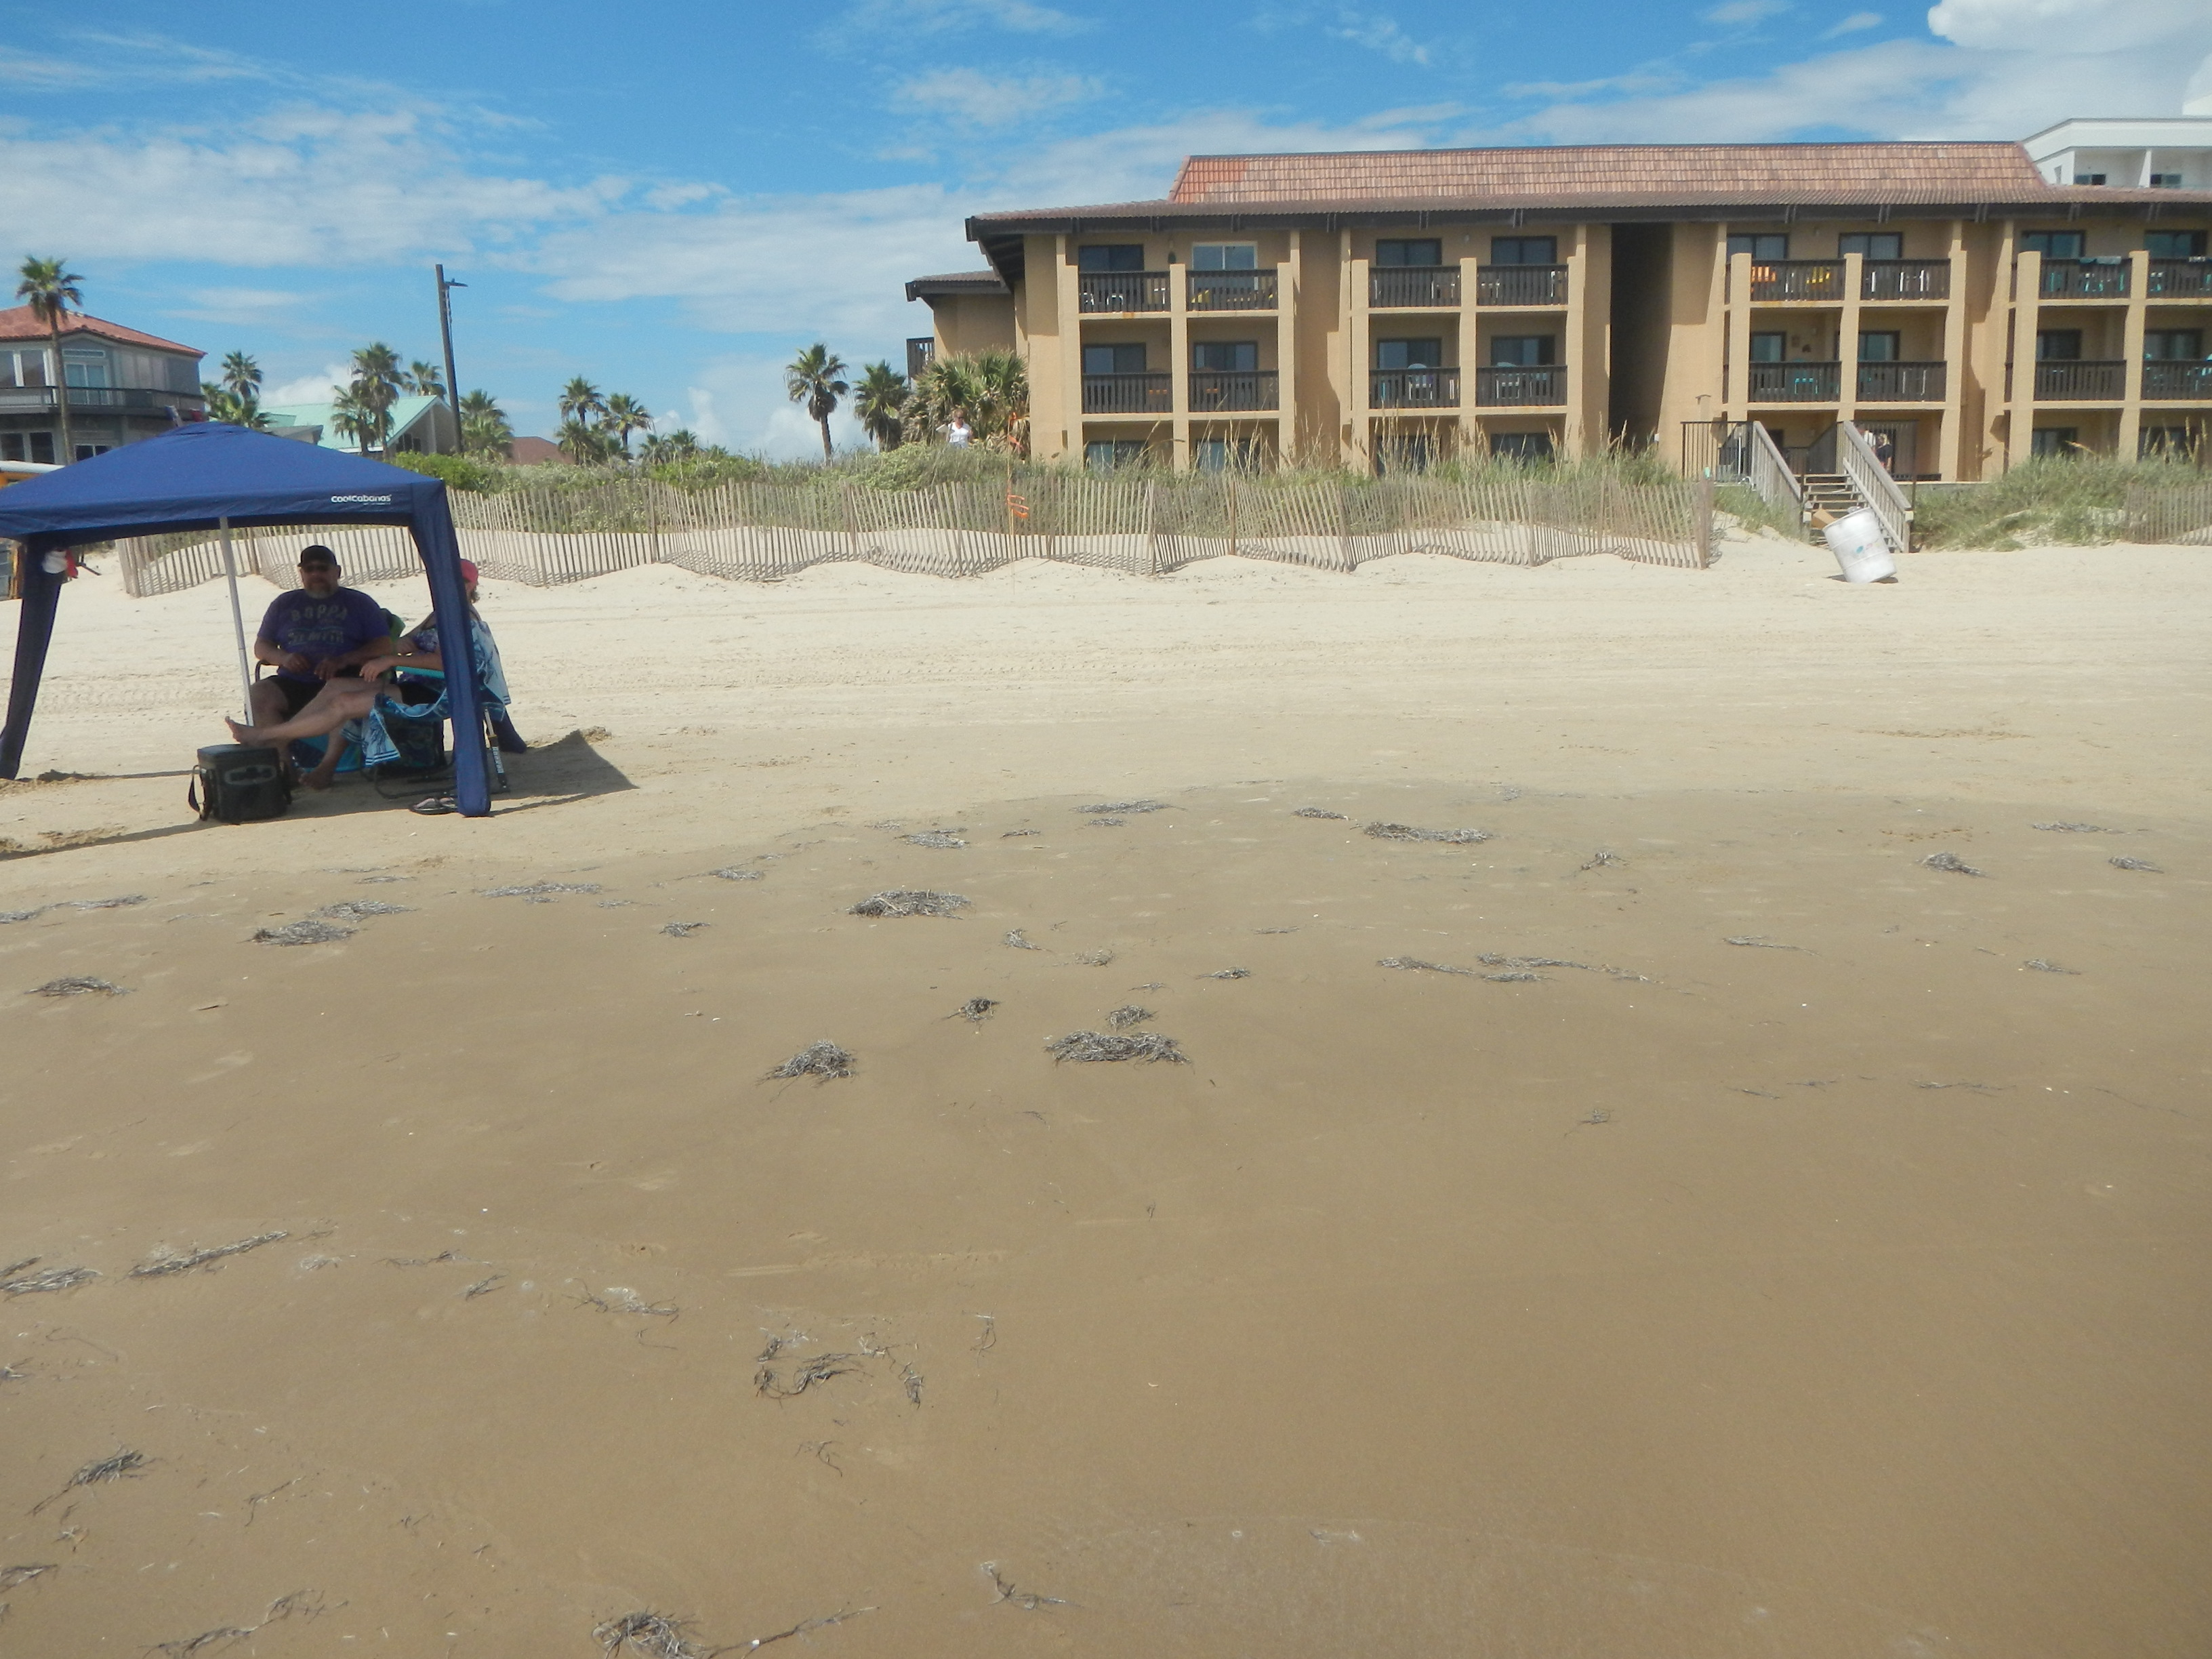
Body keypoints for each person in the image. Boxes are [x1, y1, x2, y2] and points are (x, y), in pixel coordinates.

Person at [225, 559, 511, 800]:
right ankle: (321, 763)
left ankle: (265, 736)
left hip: (443, 691)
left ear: (470, 586)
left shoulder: (464, 620)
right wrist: (369, 650)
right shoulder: (439, 615)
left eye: (457, 581)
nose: (448, 585)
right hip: (418, 684)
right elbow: (405, 643)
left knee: (345, 704)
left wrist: (392, 660)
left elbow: (448, 663)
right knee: (337, 685)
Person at [249, 544, 391, 789]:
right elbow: (261, 647)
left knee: (343, 695)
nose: (316, 574)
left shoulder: (359, 603)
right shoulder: (284, 603)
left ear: (337, 571)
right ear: (301, 573)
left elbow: (383, 644)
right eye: (309, 569)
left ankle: (326, 768)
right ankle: (285, 769)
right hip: (295, 679)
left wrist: (344, 659)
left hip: (344, 675)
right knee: (258, 694)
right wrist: (284, 658)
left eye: (322, 568)